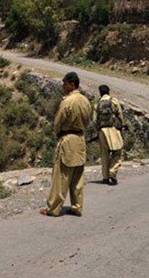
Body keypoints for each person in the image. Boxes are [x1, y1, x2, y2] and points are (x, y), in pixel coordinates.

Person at [40, 72, 91, 217]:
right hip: (80, 139)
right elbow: (88, 121)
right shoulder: (85, 101)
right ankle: (77, 206)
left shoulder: (67, 101)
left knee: (61, 176)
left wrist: (58, 133)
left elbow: (58, 123)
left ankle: (54, 208)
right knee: (77, 176)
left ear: (72, 84)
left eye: (65, 83)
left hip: (67, 139)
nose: (63, 86)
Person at [93, 85, 125, 185]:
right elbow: (120, 115)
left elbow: (94, 121)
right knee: (117, 152)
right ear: (108, 92)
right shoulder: (114, 101)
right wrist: (122, 126)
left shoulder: (97, 104)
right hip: (113, 129)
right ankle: (112, 173)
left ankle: (105, 177)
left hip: (102, 132)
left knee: (104, 154)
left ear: (100, 93)